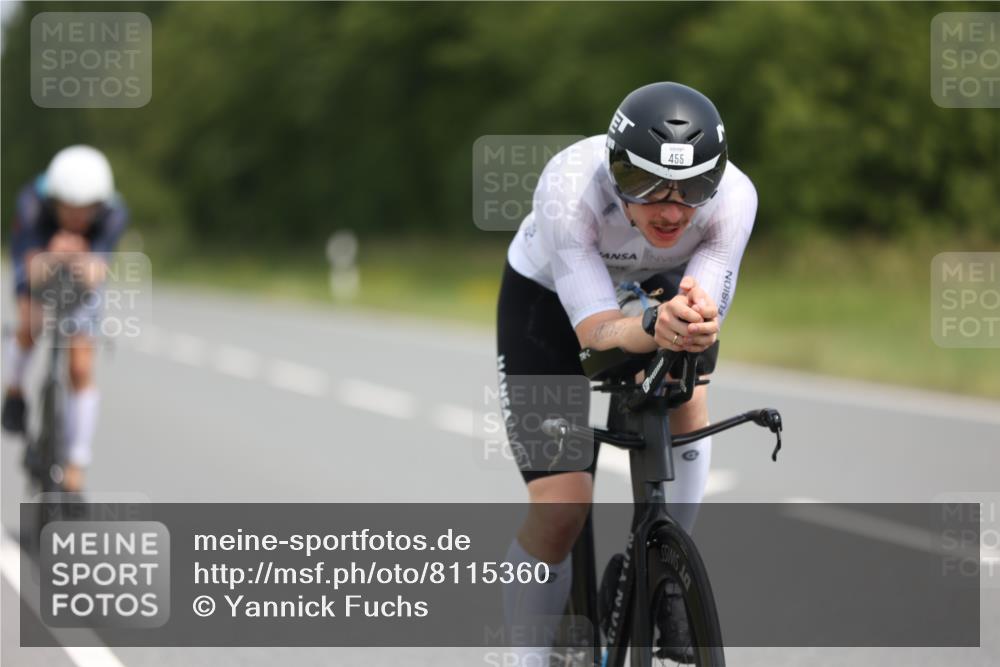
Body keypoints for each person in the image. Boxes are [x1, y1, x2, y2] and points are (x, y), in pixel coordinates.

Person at [496, 82, 757, 661]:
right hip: (548, 300)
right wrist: (650, 327)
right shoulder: (569, 188)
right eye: (647, 186)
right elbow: (595, 336)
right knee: (562, 507)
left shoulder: (736, 197)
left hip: (658, 288)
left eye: (692, 191)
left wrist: (679, 327)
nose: (670, 210)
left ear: (715, 181)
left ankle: (666, 574)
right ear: (616, 173)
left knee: (686, 382)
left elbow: (700, 311)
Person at [2, 145, 129, 493]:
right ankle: (14, 389)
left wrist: (78, 259)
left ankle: (77, 463)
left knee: (81, 367)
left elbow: (94, 275)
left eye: (84, 211)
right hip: (40, 255)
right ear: (54, 200)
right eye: (68, 209)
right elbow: (32, 269)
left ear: (98, 206)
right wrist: (53, 255)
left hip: (80, 269)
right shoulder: (32, 204)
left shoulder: (114, 213)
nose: (76, 218)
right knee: (31, 322)